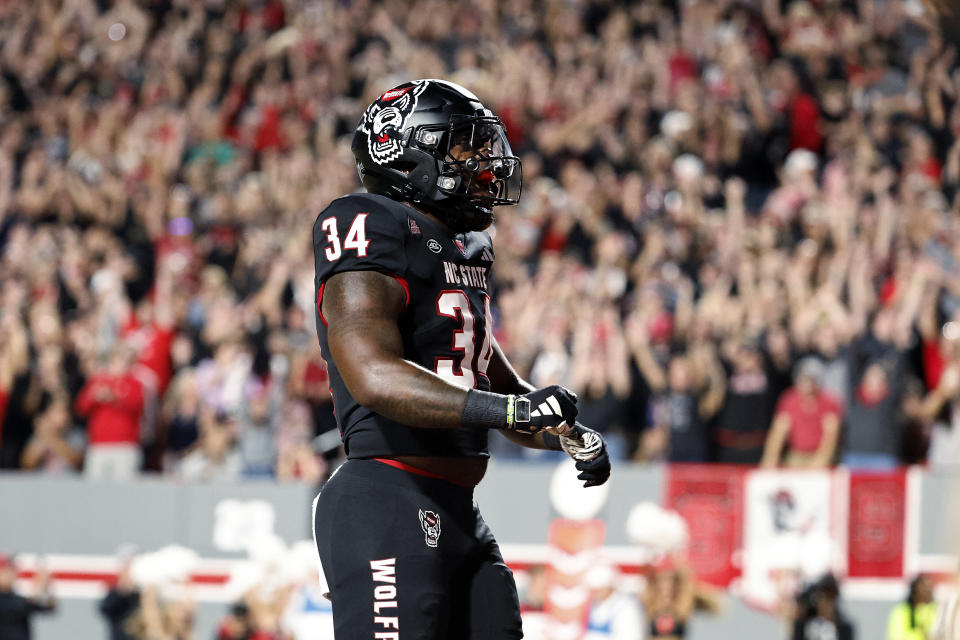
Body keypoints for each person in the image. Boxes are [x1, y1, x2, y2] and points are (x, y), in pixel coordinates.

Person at [311, 79, 611, 638]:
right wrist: (512, 413)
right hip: (386, 499)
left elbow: (482, 374)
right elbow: (373, 374)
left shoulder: (464, 244)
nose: (483, 162)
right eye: (463, 147)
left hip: (457, 508)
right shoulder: (364, 222)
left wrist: (556, 429)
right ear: (404, 152)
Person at [762, 358, 843, 468]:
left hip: (819, 459)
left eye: (811, 380)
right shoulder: (789, 400)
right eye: (804, 379)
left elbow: (830, 437)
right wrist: (770, 459)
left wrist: (818, 462)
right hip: (796, 457)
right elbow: (779, 432)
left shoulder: (828, 402)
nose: (807, 384)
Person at [0, 554, 55, 640]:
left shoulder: (16, 598)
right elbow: (18, 607)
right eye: (6, 570)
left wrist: (47, 588)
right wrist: (38, 588)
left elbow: (49, 608)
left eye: (12, 569)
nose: (12, 573)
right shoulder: (10, 602)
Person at [887, 575, 937, 640]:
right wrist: (920, 635)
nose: (928, 591)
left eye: (930, 587)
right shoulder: (901, 611)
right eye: (924, 588)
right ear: (915, 590)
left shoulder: (934, 610)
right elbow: (896, 637)